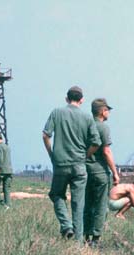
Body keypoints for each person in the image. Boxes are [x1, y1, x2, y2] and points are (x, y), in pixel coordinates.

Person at [42, 86, 101, 241]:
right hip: (79, 165)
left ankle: (66, 226)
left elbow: (45, 135)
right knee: (78, 203)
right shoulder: (87, 117)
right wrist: (85, 156)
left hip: (60, 164)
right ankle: (78, 242)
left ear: (67, 99)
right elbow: (96, 143)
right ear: (81, 100)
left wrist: (52, 155)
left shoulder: (56, 112)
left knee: (56, 194)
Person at [83, 98, 119, 247]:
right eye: (107, 110)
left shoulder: (85, 125)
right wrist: (115, 172)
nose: (108, 113)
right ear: (103, 111)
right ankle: (95, 239)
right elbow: (106, 151)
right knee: (100, 206)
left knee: (87, 204)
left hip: (85, 170)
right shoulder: (103, 127)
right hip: (99, 172)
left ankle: (85, 236)